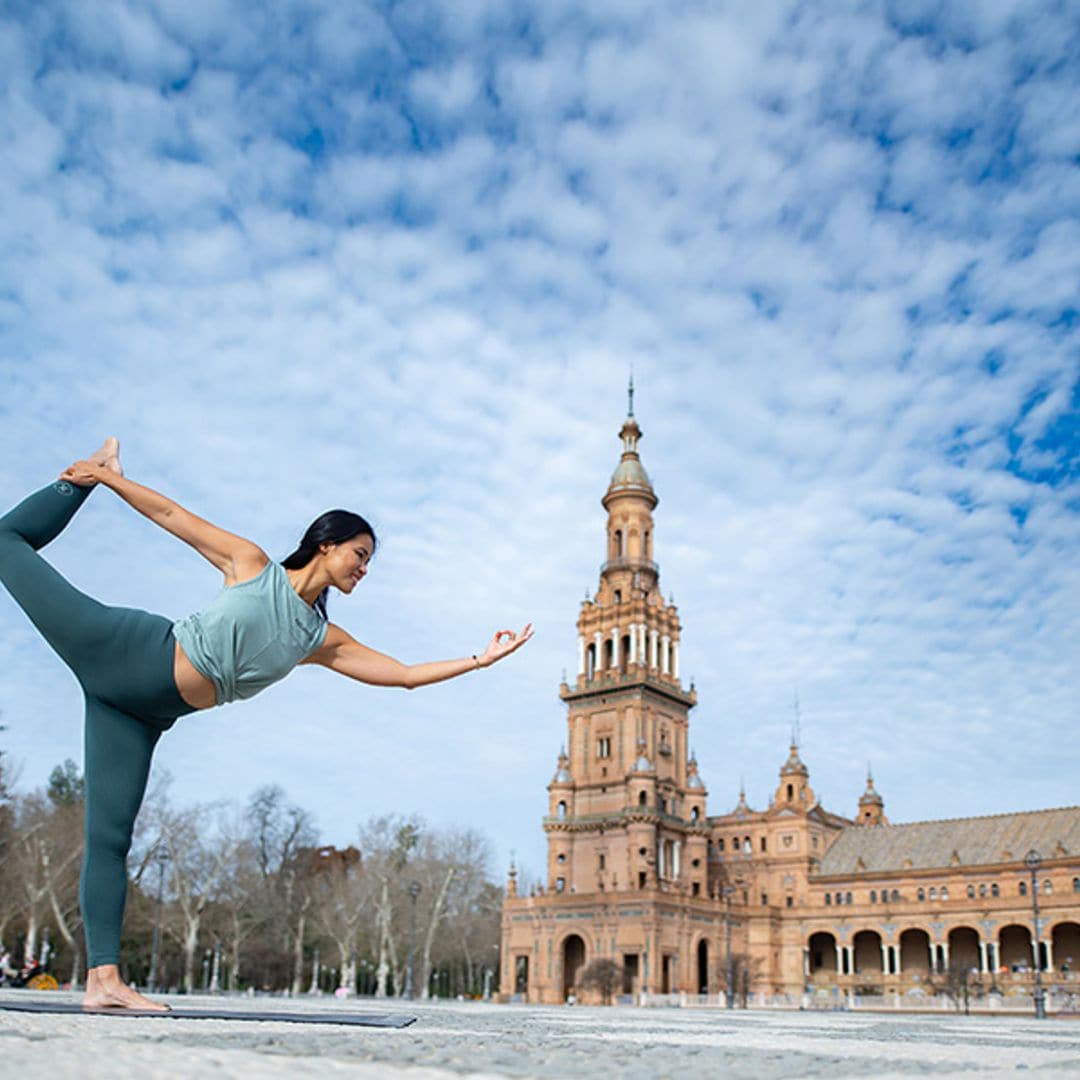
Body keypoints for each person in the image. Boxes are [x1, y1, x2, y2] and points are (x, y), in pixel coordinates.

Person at [0, 438, 532, 1011]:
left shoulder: (319, 640)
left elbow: (401, 675)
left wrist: (480, 658)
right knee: (5, 543)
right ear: (326, 545)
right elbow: (172, 516)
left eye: (369, 559)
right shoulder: (251, 566)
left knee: (109, 840)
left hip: (138, 714)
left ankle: (102, 982)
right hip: (124, 651)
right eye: (360, 553)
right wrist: (107, 481)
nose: (365, 567)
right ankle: (87, 474)